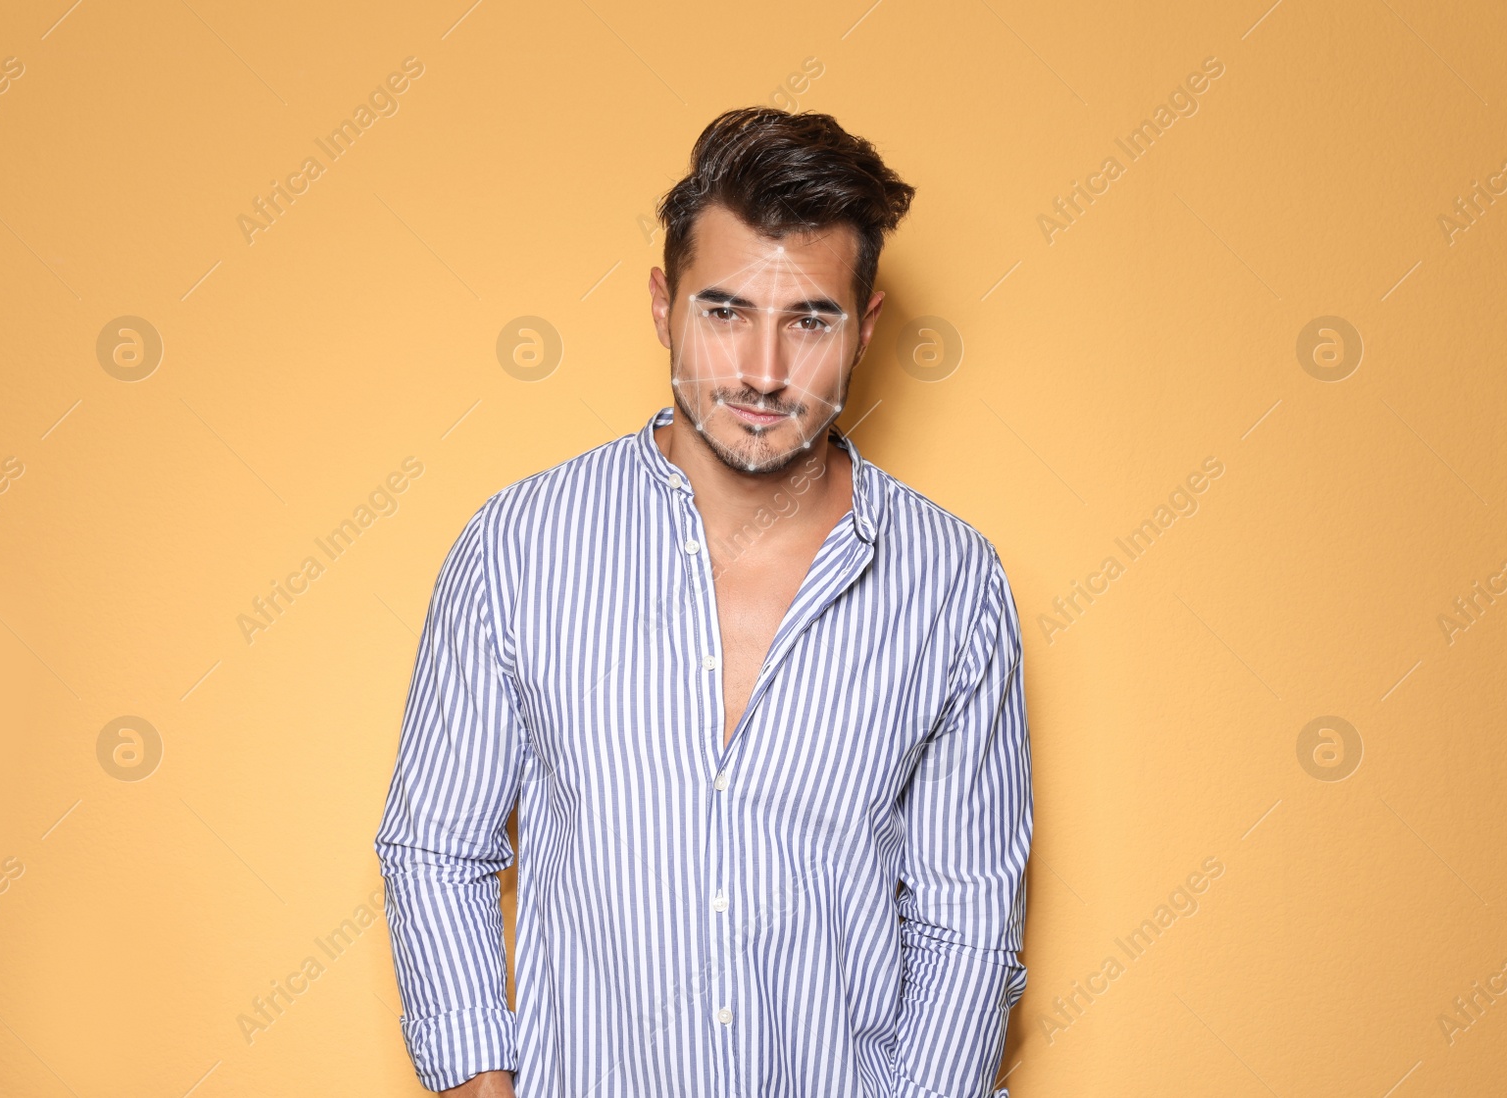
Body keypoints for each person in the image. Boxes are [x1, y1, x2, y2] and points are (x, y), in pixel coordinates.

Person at [374, 105, 1033, 1098]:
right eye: (724, 311)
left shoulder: (951, 584)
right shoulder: (520, 547)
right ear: (660, 304)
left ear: (865, 325)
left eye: (808, 319)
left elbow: (964, 919)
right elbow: (436, 847)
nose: (762, 373)